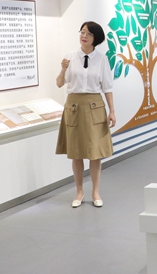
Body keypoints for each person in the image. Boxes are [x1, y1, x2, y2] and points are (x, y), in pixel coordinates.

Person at [55, 21, 116, 209]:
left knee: (95, 153)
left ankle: (95, 191)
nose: (84, 36)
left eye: (89, 34)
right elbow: (59, 83)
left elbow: (107, 87)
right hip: (74, 106)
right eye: (82, 32)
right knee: (76, 153)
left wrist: (112, 111)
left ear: (96, 38)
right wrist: (63, 68)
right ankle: (79, 192)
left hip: (95, 106)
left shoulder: (102, 59)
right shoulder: (70, 57)